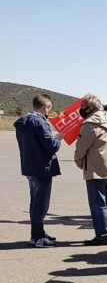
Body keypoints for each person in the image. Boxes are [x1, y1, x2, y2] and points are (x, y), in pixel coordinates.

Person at [74, 94, 107, 246]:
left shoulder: (90, 124)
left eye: (83, 107)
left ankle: (102, 235)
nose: (81, 110)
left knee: (98, 204)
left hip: (96, 168)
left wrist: (79, 161)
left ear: (91, 108)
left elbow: (81, 147)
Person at [14, 93, 61, 247]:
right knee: (41, 204)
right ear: (44, 107)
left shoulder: (24, 121)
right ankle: (37, 237)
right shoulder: (39, 122)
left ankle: (38, 231)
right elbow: (50, 145)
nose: (49, 111)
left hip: (30, 166)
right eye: (49, 108)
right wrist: (58, 139)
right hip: (42, 167)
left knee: (35, 202)